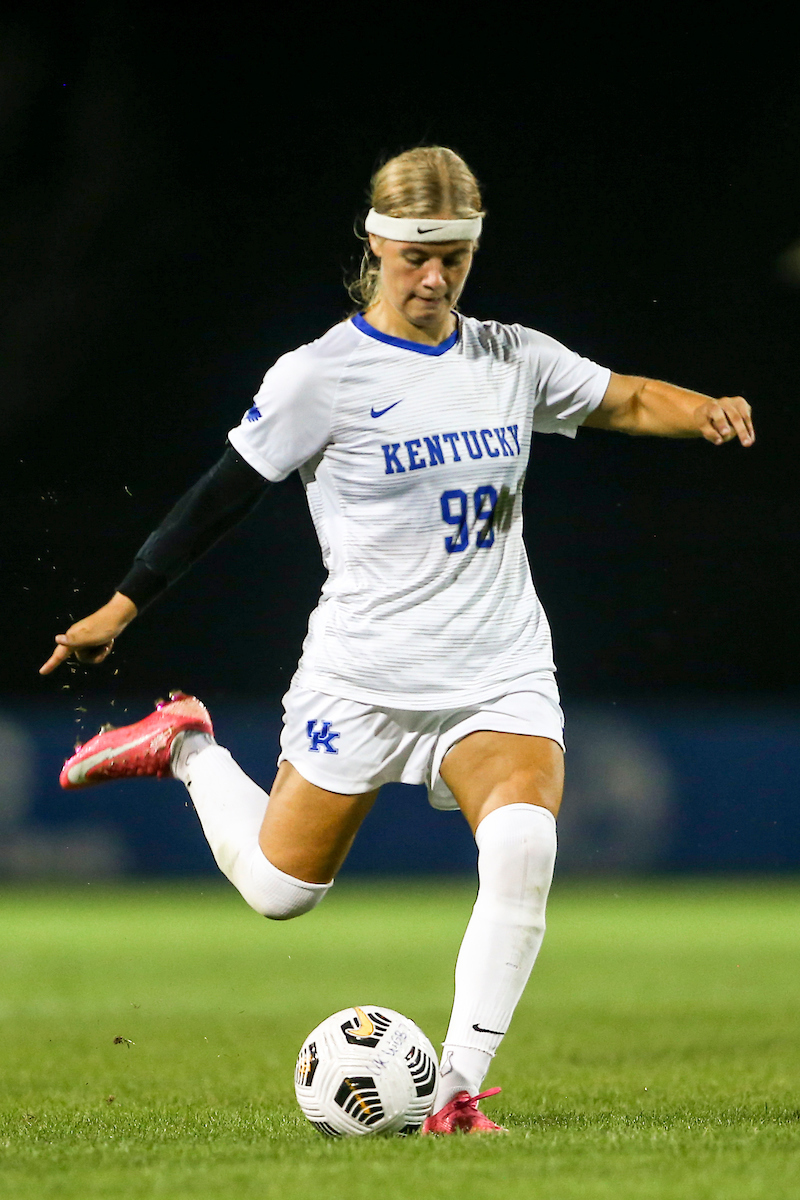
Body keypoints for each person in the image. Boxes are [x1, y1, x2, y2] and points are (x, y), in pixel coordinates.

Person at [40, 146, 754, 1135]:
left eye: (454, 258)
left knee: (523, 844)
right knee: (280, 892)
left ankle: (455, 1090)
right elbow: (222, 495)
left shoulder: (507, 358)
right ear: (375, 244)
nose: (434, 278)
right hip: (364, 675)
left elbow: (624, 398)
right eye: (417, 255)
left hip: (496, 671)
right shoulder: (319, 377)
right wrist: (123, 605)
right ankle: (188, 746)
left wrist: (703, 409)